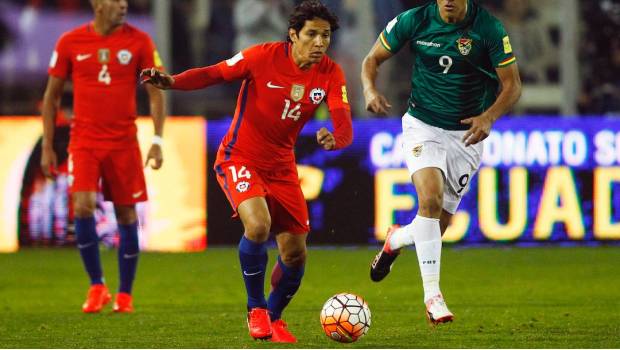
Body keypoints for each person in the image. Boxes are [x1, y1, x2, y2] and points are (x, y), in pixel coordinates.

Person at [141, 0, 352, 342]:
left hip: (282, 167)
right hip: (239, 157)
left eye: (325, 36)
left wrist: (335, 137)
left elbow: (344, 123)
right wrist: (171, 82)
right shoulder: (260, 57)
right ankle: (255, 309)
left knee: (296, 254)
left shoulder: (330, 73)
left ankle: (275, 316)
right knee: (258, 225)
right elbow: (214, 73)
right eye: (312, 34)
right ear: (293, 34)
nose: (319, 43)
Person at [362, 0, 521, 324]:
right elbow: (372, 59)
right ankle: (433, 296)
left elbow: (512, 85)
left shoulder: (487, 28)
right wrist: (368, 90)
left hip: (467, 135)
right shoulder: (414, 20)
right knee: (430, 200)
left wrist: (489, 117)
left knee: (438, 226)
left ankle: (396, 239)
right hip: (423, 124)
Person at [40, 0, 166, 313]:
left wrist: (158, 139)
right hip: (83, 140)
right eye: (115, 0)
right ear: (97, 4)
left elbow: (155, 92)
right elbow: (51, 96)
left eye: (125, 1)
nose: (123, 5)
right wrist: (46, 144)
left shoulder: (140, 41)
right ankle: (97, 285)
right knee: (82, 206)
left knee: (126, 215)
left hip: (123, 142)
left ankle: (125, 294)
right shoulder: (70, 41)